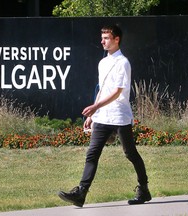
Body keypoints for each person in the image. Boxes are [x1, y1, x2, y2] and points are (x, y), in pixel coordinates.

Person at [58, 24, 151, 207]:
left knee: (130, 153)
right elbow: (102, 89)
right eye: (102, 38)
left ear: (117, 39)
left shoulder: (123, 62)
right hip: (102, 116)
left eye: (106, 38)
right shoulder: (103, 62)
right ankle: (81, 193)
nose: (102, 41)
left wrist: (95, 106)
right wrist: (94, 114)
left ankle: (144, 188)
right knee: (92, 154)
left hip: (119, 116)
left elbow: (117, 92)